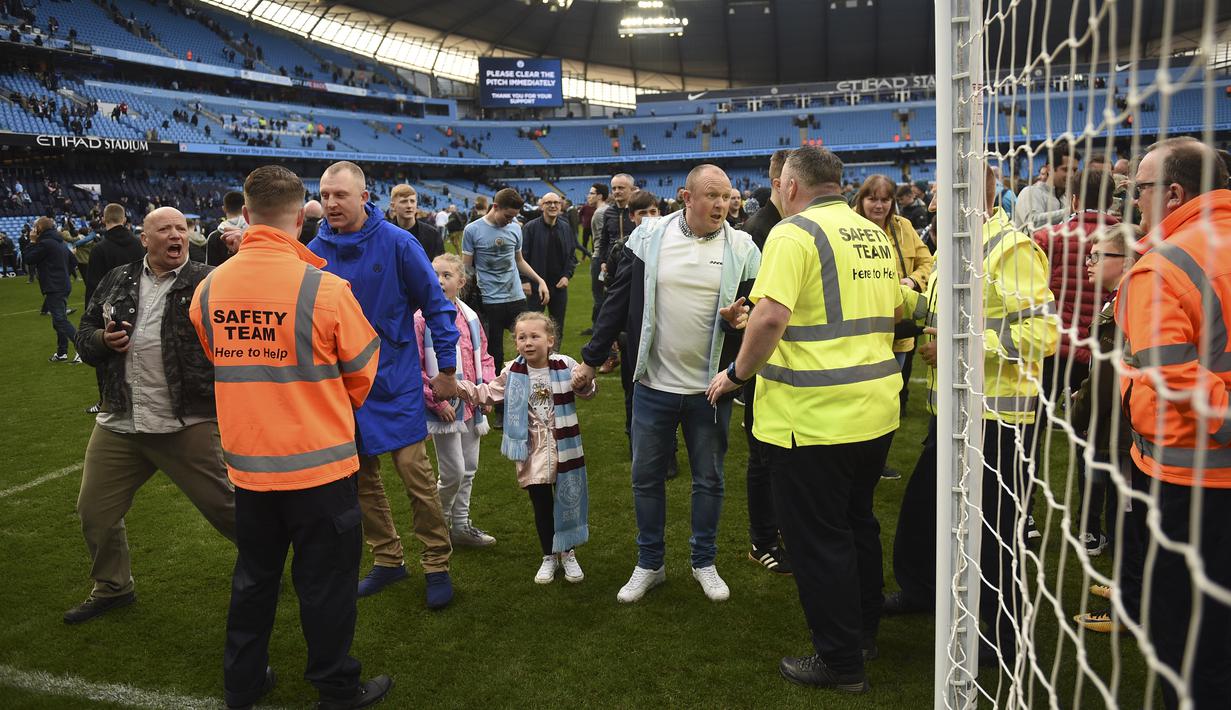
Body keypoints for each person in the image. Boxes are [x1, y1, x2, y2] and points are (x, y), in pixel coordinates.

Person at [189, 165, 392, 710]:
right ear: (303, 218)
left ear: (247, 214)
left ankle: (243, 683)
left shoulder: (209, 287)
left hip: (250, 467)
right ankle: (336, 688)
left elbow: (220, 357)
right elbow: (362, 373)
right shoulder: (324, 289)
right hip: (319, 469)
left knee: (253, 580)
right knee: (325, 586)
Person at [705, 146, 903, 693]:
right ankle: (863, 634)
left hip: (814, 418)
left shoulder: (794, 234)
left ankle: (841, 662)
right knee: (858, 524)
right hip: (876, 409)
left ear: (790, 185)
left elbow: (769, 318)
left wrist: (736, 376)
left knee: (819, 541)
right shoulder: (873, 233)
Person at [887, 167, 1057, 672]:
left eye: (940, 192)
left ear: (966, 194)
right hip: (956, 415)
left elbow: (1043, 333)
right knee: (924, 512)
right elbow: (937, 310)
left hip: (999, 421)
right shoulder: (955, 245)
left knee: (997, 536)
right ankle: (921, 590)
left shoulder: (1011, 247)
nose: (933, 202)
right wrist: (892, 294)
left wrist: (962, 348)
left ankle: (1007, 641)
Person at [576, 164, 760, 605]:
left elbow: (756, 310)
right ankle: (650, 563)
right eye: (712, 195)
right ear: (686, 196)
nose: (721, 204)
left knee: (710, 479)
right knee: (645, 478)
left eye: (726, 196)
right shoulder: (649, 237)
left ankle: (704, 562)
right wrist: (591, 358)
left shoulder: (743, 246)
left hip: (711, 389)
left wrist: (741, 321)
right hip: (653, 385)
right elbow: (617, 302)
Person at [67, 206, 236, 625]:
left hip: (185, 421)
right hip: (120, 422)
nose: (176, 234)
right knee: (95, 511)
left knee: (230, 510)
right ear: (145, 238)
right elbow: (85, 337)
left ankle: (266, 563)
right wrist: (103, 340)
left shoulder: (209, 280)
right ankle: (113, 587)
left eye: (182, 228)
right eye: (165, 229)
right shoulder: (116, 280)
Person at [309, 161, 462, 608]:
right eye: (325, 195)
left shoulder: (398, 242)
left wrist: (448, 369)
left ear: (364, 196)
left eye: (341, 195)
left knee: (415, 477)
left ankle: (437, 563)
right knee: (360, 481)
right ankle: (388, 560)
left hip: (394, 382)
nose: (332, 203)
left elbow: (436, 306)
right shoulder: (314, 248)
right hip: (339, 388)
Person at [1117, 136, 1231, 710]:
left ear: (1174, 193)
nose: (1134, 202)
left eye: (1139, 190)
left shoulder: (1162, 265)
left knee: (1186, 640)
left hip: (1190, 483)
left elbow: (1174, 376)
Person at [459, 312, 596, 584]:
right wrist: (459, 388)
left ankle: (567, 553)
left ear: (550, 340)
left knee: (566, 500)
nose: (528, 342)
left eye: (535, 336)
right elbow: (487, 393)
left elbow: (588, 392)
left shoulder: (565, 365)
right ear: (516, 342)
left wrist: (585, 383)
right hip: (531, 450)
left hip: (564, 447)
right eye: (522, 337)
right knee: (541, 504)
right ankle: (549, 556)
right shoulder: (512, 372)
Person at [1070, 223, 1142, 633]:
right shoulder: (1119, 299)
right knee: (1120, 512)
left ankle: (1128, 607)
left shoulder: (1128, 303)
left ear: (1126, 260)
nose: (1089, 263)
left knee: (1127, 517)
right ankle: (1124, 589)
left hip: (1122, 431)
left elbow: (1106, 377)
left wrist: (1079, 411)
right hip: (1114, 428)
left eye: (1099, 256)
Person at [416, 253, 497, 548]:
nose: (439, 281)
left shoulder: (471, 317)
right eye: (434, 274)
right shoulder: (420, 318)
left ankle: (461, 526)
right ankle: (435, 523)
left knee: (470, 468)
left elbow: (484, 356)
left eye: (447, 275)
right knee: (453, 472)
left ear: (461, 282)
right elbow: (417, 366)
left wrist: (486, 389)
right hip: (445, 409)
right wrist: (436, 401)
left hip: (471, 405)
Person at [736, 149, 792, 574]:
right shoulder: (759, 230)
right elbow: (751, 306)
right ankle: (762, 539)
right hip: (762, 360)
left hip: (789, 361)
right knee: (762, 454)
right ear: (780, 182)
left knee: (783, 453)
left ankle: (779, 529)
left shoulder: (791, 227)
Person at [1031, 168, 1118, 431]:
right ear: (1110, 201)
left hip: (1053, 344)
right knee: (1092, 430)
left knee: (1032, 425)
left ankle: (1024, 471)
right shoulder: (1126, 241)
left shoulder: (1048, 237)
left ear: (1075, 200)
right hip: (1099, 348)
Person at [852, 174, 935, 443]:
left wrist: (912, 280)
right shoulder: (848, 228)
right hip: (861, 329)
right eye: (872, 198)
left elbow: (928, 263)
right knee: (861, 397)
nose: (879, 205)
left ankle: (879, 451)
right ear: (861, 199)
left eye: (885, 199)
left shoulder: (904, 227)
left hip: (900, 329)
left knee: (891, 394)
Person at [462, 188, 550, 383]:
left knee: (528, 345)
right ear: (495, 207)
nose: (510, 221)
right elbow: (466, 268)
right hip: (490, 300)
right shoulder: (472, 230)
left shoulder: (515, 228)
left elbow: (518, 260)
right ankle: (499, 402)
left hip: (516, 297)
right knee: (495, 353)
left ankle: (530, 390)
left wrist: (539, 280)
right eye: (507, 216)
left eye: (514, 217)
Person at [520, 192, 576, 345]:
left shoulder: (565, 227)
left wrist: (567, 276)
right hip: (535, 287)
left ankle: (554, 359)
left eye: (556, 203)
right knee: (532, 327)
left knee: (557, 327)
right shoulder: (530, 228)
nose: (553, 206)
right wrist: (525, 280)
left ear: (560, 205)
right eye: (548, 203)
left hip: (559, 286)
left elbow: (572, 256)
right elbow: (521, 257)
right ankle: (532, 360)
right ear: (541, 206)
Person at [23, 216, 79, 363]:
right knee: (57, 320)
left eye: (35, 227)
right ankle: (62, 353)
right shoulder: (59, 242)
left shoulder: (45, 243)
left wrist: (32, 242)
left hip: (54, 286)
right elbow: (73, 262)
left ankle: (82, 348)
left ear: (39, 229)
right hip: (63, 284)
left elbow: (28, 259)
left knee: (60, 320)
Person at [1015, 141, 1080, 231]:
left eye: (1075, 170)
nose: (1071, 175)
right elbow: (1032, 223)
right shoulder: (1031, 192)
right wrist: (1071, 211)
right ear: (1049, 169)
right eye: (1066, 169)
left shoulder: (1066, 197)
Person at [389, 184, 444, 260]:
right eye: (403, 201)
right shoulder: (385, 235)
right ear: (393, 206)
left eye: (412, 201)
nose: (409, 206)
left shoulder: (433, 234)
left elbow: (440, 266)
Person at [583, 183, 610, 337]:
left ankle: (598, 328)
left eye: (592, 193)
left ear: (600, 196)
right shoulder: (606, 210)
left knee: (598, 294)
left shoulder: (600, 213)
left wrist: (599, 259)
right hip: (602, 257)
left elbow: (601, 240)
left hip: (599, 257)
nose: (589, 195)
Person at [206, 191, 247, 266]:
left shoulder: (214, 237)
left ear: (224, 209)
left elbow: (210, 269)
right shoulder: (253, 232)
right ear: (244, 208)